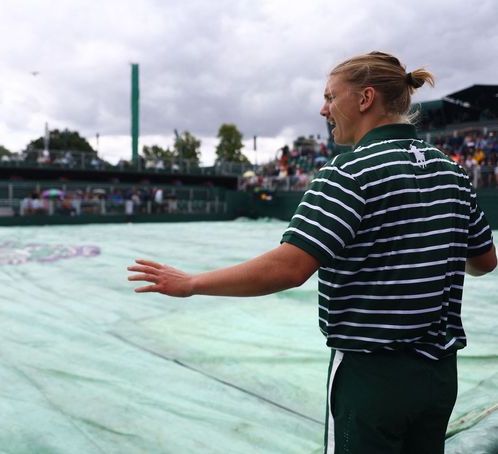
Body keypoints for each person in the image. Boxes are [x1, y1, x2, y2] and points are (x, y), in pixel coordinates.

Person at [127, 51, 497, 454]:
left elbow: (289, 268)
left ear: (365, 98)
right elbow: (483, 261)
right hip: (440, 376)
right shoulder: (451, 170)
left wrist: (193, 283)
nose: (324, 109)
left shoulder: (348, 172)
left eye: (330, 96)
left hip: (372, 376)